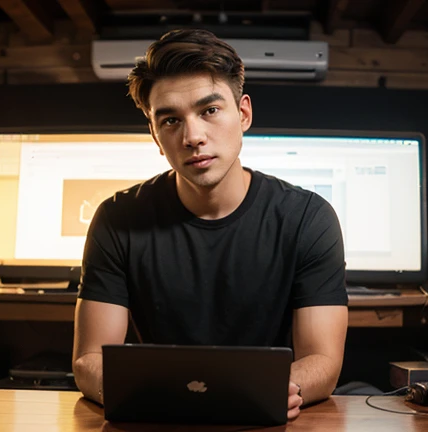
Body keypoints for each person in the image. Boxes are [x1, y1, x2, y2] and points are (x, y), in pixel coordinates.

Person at [72, 28, 348, 421]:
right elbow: (88, 360)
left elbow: (323, 361)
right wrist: (178, 398)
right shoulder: (117, 218)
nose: (193, 136)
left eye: (209, 110)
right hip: (158, 418)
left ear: (244, 113)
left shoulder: (308, 217)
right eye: (170, 120)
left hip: (266, 418)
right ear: (154, 133)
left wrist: (246, 395)